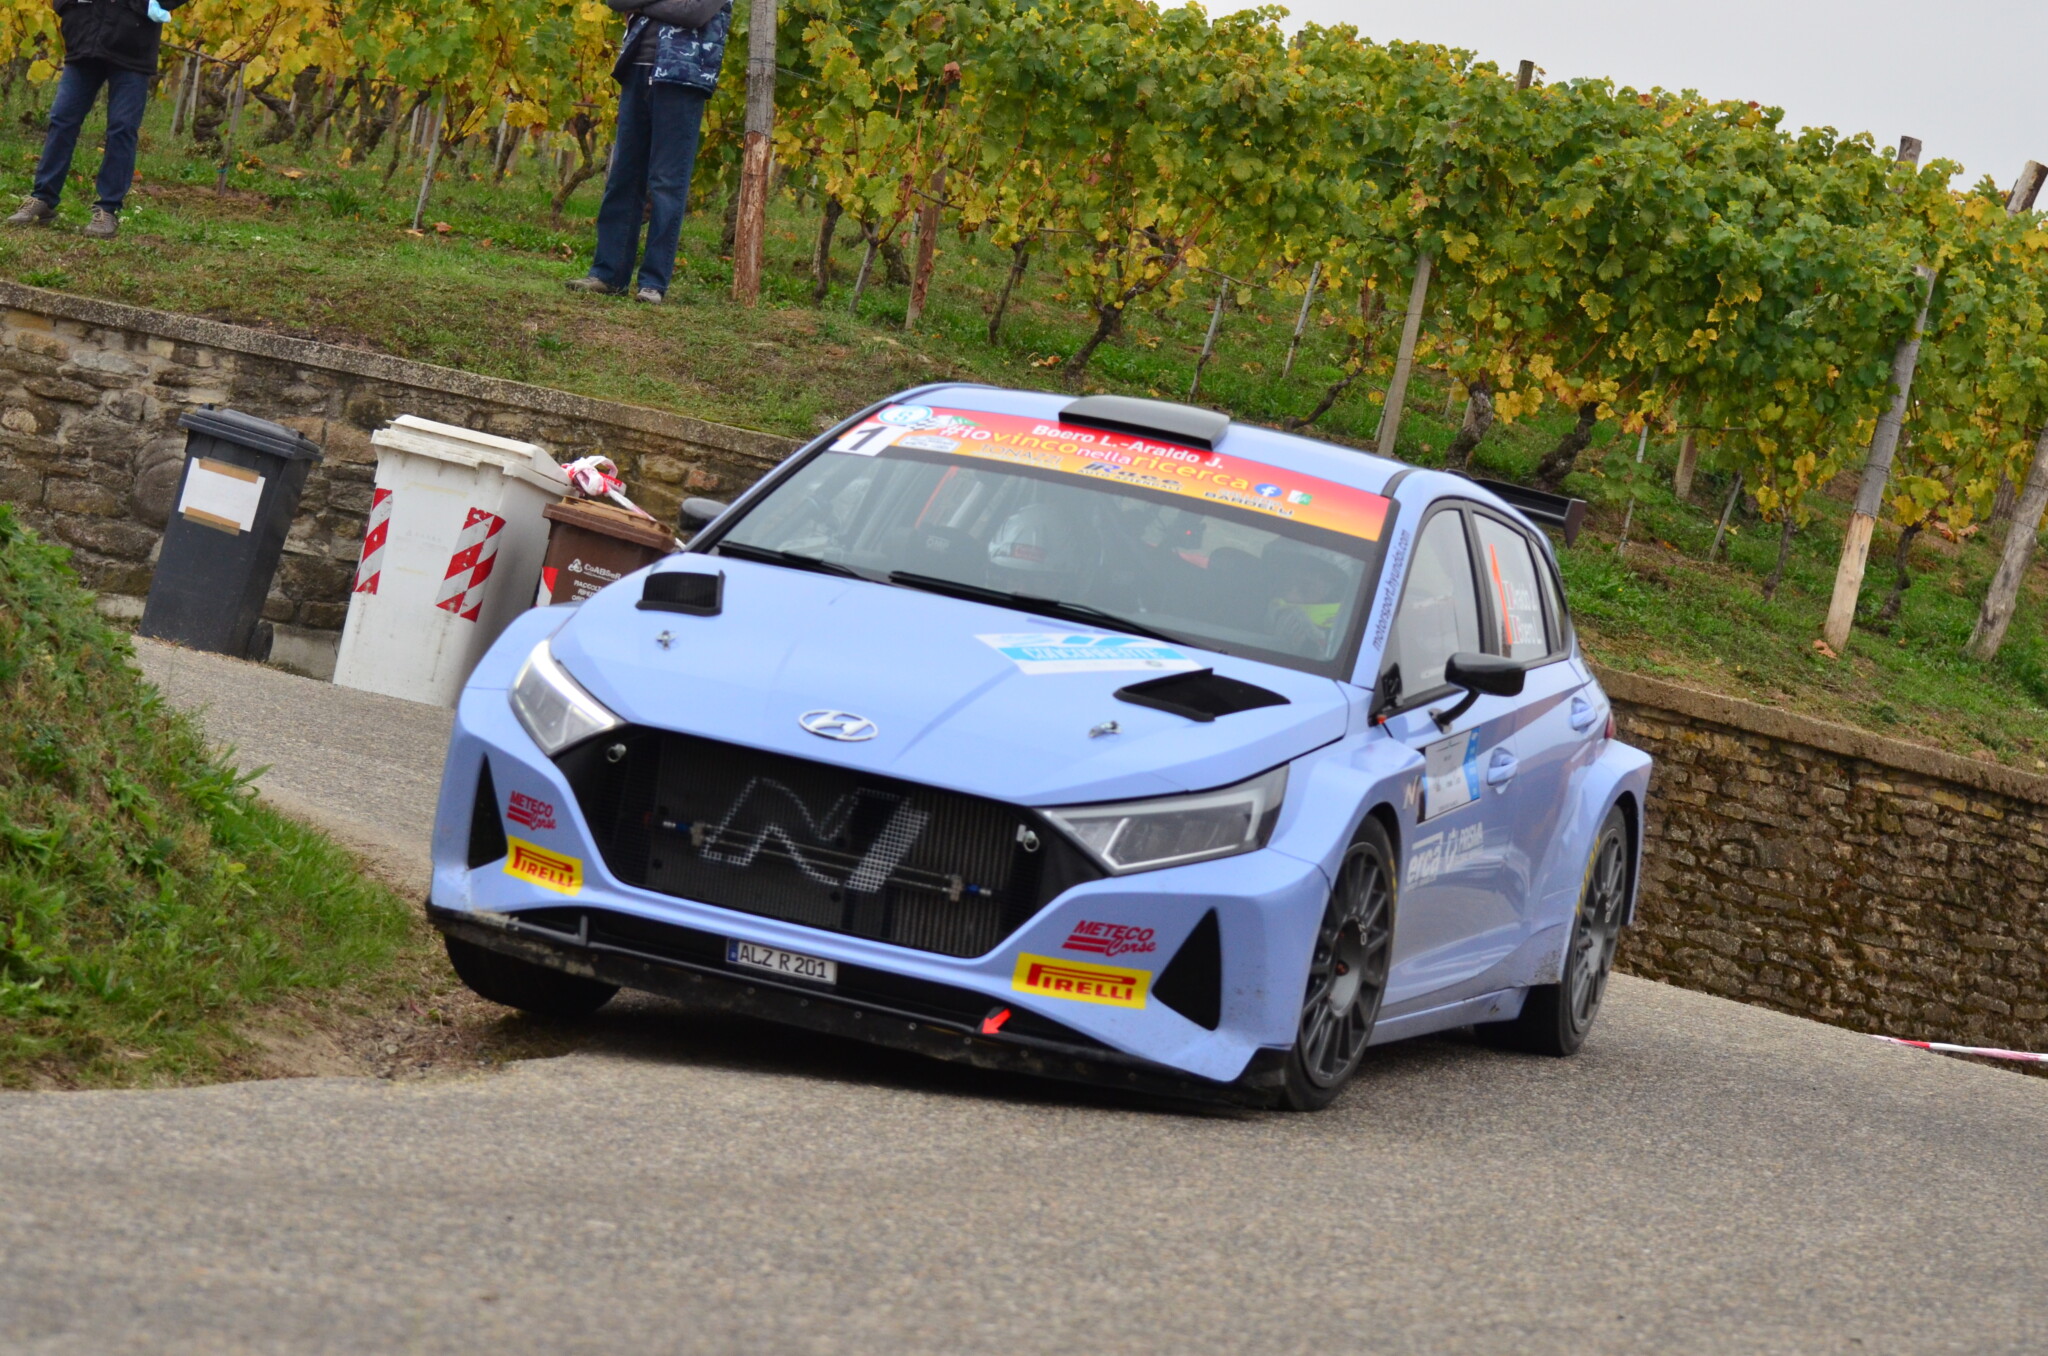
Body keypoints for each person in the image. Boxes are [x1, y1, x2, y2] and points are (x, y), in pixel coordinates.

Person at [566, 0, 733, 305]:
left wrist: (642, 6)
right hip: (636, 68)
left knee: (666, 182)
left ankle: (653, 283)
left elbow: (694, 13)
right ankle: (608, 275)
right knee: (623, 177)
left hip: (683, 76)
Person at [7, 0, 182, 240]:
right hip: (84, 42)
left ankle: (107, 209)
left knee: (122, 128)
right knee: (62, 119)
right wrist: (68, 7)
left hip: (133, 47)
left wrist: (142, 5)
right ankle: (42, 198)